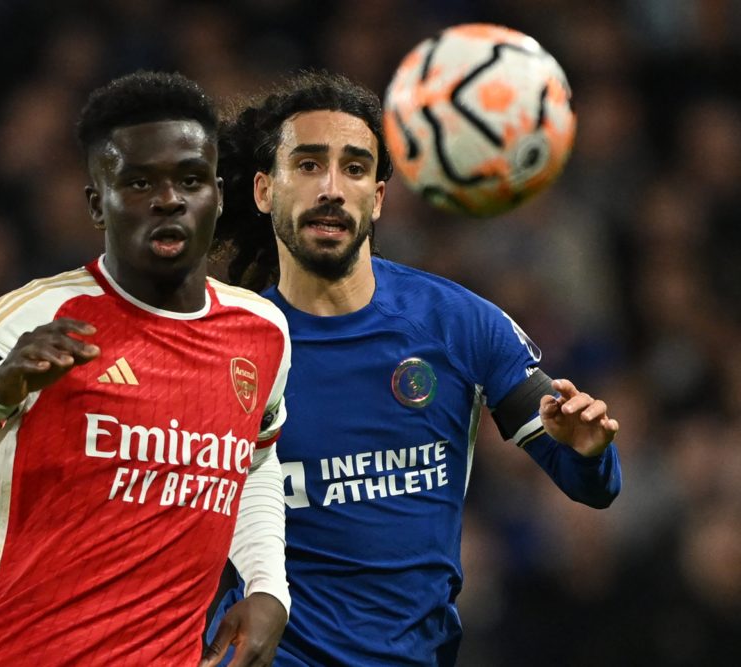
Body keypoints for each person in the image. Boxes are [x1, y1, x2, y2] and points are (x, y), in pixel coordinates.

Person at [206, 70, 622, 666]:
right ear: (264, 191)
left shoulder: (459, 324)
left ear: (376, 198)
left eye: (353, 168)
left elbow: (592, 485)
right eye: (308, 165)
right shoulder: (222, 348)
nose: (331, 187)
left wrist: (586, 448)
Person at [0, 70, 291, 667]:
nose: (170, 199)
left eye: (191, 179)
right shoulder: (37, 316)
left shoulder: (260, 333)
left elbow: (254, 459)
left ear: (219, 196)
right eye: (140, 181)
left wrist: (266, 583)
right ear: (98, 204)